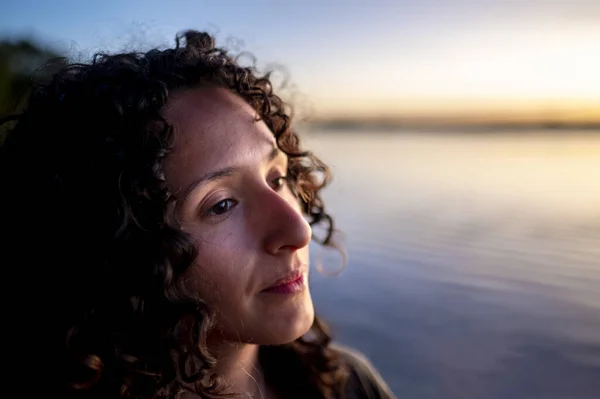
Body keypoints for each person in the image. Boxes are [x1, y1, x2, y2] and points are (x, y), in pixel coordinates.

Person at [0, 30, 396, 399]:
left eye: (277, 179)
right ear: (117, 249)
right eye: (221, 204)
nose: (297, 229)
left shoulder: (349, 384)